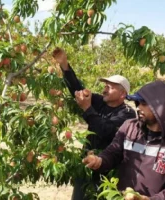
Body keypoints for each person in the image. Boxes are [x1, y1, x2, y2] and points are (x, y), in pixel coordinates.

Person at [82, 80, 165, 200]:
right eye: (138, 103)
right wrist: (100, 160)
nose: (138, 108)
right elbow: (113, 152)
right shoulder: (129, 127)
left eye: (144, 103)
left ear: (160, 107)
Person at [52, 48, 136, 199]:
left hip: (108, 168)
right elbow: (77, 90)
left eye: (109, 88)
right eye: (104, 86)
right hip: (86, 161)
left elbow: (107, 129)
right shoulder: (99, 102)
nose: (104, 90)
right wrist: (64, 65)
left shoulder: (128, 114)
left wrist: (87, 108)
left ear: (123, 94)